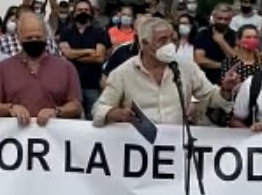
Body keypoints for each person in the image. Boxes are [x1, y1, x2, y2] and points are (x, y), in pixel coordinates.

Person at [94, 17, 231, 127]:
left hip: (175, 144)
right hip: (137, 146)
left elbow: (211, 96)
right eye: (162, 40)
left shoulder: (187, 67)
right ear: (145, 43)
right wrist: (114, 113)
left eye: (172, 38)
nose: (170, 44)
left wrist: (226, 90)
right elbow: (99, 108)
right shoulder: (123, 72)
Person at [0, 12, 81, 125]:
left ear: (46, 36)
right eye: (29, 37)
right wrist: (10, 108)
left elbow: (76, 106)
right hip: (13, 139)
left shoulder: (66, 68)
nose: (34, 40)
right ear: (19, 38)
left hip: (53, 139)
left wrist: (57, 111)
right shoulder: (2, 68)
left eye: (38, 37)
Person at [59, 0, 110, 119]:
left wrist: (73, 56)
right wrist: (89, 51)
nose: (83, 12)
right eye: (80, 10)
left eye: (86, 10)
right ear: (74, 13)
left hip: (92, 85)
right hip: (71, 86)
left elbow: (99, 58)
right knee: (73, 121)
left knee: (95, 118)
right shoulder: (66, 33)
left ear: (91, 13)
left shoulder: (99, 33)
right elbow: (67, 54)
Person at [194, 4, 238, 85]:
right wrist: (223, 66)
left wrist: (221, 42)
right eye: (219, 18)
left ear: (231, 20)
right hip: (206, 82)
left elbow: (236, 60)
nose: (222, 22)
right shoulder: (203, 34)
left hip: (228, 83)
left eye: (226, 19)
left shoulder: (234, 35)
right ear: (213, 18)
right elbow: (199, 59)